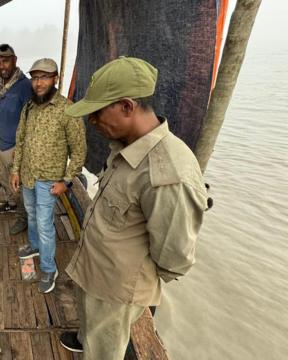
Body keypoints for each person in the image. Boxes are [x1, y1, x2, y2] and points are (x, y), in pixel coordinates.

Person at [59, 57, 208, 358]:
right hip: (96, 273)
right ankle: (86, 339)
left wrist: (132, 280)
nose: (92, 121)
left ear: (127, 107)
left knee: (105, 351)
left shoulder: (167, 173)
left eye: (97, 112)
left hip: (116, 290)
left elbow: (175, 257)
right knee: (94, 335)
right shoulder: (125, 147)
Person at [10, 58, 87, 294]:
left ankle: (48, 268)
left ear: (56, 79)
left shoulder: (67, 110)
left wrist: (66, 181)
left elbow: (79, 150)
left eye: (44, 77)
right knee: (32, 215)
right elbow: (20, 140)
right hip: (28, 176)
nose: (38, 83)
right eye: (35, 78)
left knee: (44, 224)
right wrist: (15, 170)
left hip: (49, 181)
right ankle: (35, 247)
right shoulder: (29, 108)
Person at [0, 43, 32, 235]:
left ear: (14, 61)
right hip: (0, 144)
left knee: (19, 186)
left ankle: (24, 218)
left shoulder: (24, 86)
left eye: (6, 61)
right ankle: (12, 204)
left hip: (15, 147)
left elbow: (31, 122)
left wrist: (24, 154)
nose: (2, 66)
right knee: (5, 180)